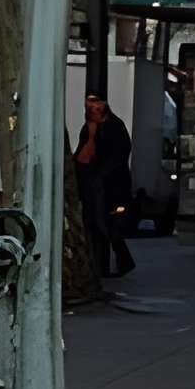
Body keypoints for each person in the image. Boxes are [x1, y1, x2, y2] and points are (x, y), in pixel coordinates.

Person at [73, 94, 136, 278]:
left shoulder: (114, 128)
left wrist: (100, 175)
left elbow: (118, 156)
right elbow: (82, 156)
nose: (93, 108)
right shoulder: (91, 129)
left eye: (96, 104)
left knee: (106, 223)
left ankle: (116, 262)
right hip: (95, 183)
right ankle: (113, 262)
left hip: (111, 185)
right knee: (99, 223)